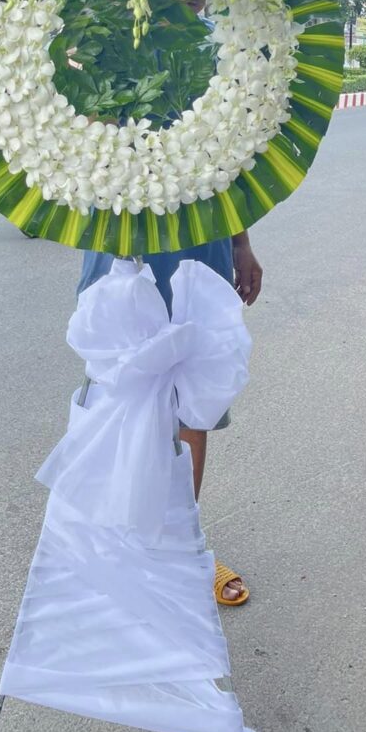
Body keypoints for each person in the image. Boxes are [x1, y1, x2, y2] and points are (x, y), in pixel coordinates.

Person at [77, 230, 263, 606]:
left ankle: (181, 547)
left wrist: (241, 244)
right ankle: (118, 545)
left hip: (198, 239)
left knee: (191, 400)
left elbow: (226, 173)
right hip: (121, 240)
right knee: (118, 395)